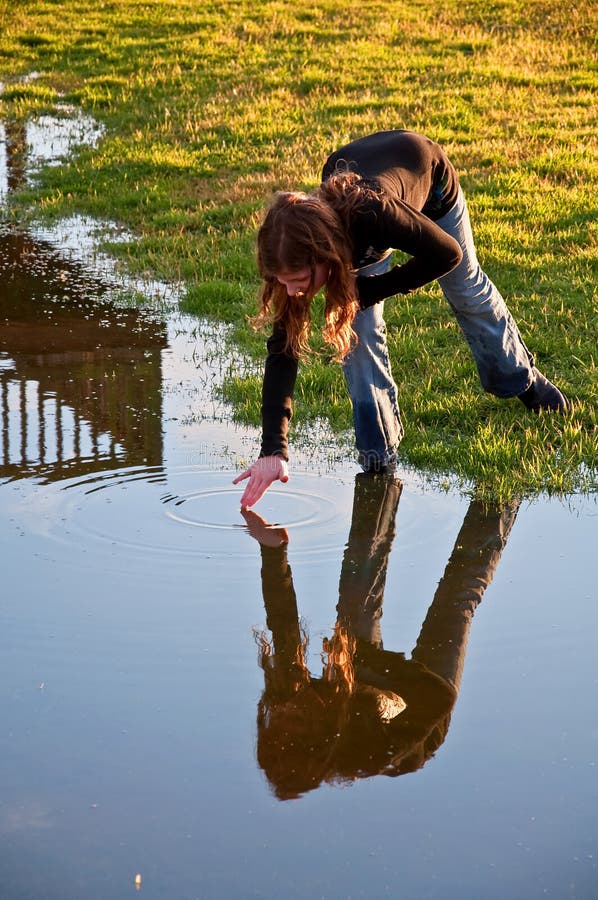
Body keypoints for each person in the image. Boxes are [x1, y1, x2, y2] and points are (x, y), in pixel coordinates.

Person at [234, 129, 568, 508]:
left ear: (324, 257)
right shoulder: (294, 249)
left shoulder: (375, 215)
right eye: (283, 282)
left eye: (298, 282)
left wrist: (369, 292)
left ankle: (523, 381)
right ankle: (379, 458)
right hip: (359, 215)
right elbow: (283, 350)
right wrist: (273, 450)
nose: (293, 292)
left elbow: (447, 255)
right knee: (357, 333)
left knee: (466, 291)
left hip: (429, 179)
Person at [243, 473, 520, 799]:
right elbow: (439, 697)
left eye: (280, 719)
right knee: (455, 602)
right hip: (424, 710)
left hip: (360, 682)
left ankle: (379, 478)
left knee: (355, 594)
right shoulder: (364, 753)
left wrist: (272, 551)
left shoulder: (286, 700)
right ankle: (504, 485)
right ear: (319, 737)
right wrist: (364, 657)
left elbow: (283, 624)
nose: (288, 710)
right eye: (296, 721)